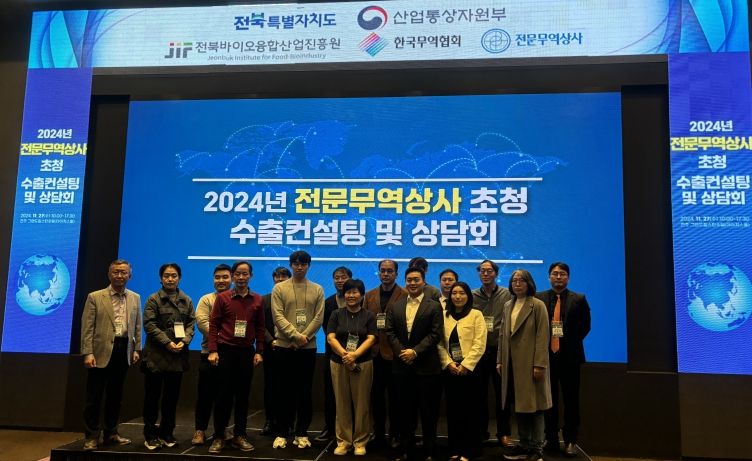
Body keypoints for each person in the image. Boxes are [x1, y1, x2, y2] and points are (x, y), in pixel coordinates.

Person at [81, 259, 142, 451]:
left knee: (115, 396)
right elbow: (87, 327)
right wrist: (88, 352)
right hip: (100, 351)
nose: (120, 276)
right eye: (116, 272)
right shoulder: (95, 296)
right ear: (109, 275)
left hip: (123, 349)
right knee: (94, 397)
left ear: (129, 275)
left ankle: (111, 433)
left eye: (123, 272)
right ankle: (91, 436)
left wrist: (137, 349)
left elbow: (137, 325)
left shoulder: (135, 297)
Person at [207, 261, 265, 454]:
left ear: (251, 276)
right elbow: (214, 325)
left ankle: (240, 435)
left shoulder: (257, 299)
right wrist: (213, 350)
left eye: (245, 274)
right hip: (225, 351)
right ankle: (218, 436)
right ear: (233, 276)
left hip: (246, 352)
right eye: (238, 274)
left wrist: (259, 351)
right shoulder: (222, 298)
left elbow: (260, 327)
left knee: (242, 397)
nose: (241, 277)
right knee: (222, 396)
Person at [386, 266, 444, 461]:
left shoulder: (434, 305)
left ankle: (429, 451)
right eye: (409, 280)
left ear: (423, 282)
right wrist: (403, 352)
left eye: (416, 279)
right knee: (404, 412)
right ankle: (406, 449)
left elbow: (435, 334)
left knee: (428, 412)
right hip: (402, 367)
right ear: (405, 282)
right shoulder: (396, 306)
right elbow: (390, 332)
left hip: (426, 368)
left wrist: (415, 352)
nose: (412, 283)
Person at [271, 250, 325, 449]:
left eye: (303, 264)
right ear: (291, 265)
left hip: (307, 348)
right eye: (296, 263)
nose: (299, 267)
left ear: (308, 266)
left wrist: (304, 338)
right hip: (284, 347)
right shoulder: (279, 288)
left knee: (304, 391)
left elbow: (318, 317)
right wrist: (295, 336)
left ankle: (302, 432)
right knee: (283, 391)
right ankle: (282, 432)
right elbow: (277, 316)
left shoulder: (317, 289)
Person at [536, 262, 591, 457]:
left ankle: (570, 440)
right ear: (549, 277)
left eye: (562, 274)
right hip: (546, 358)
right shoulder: (539, 298)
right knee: (548, 401)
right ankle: (550, 438)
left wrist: (569, 342)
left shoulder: (579, 299)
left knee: (571, 401)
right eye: (555, 274)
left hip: (570, 358)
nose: (558, 277)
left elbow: (585, 326)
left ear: (568, 277)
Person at [497, 270, 551, 461]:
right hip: (511, 364)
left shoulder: (537, 305)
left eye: (521, 280)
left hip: (530, 364)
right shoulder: (507, 305)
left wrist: (539, 364)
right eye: (514, 281)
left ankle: (537, 448)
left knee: (535, 407)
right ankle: (524, 444)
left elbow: (543, 336)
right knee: (520, 406)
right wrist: (500, 359)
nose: (517, 284)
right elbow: (502, 335)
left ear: (529, 283)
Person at [141, 263, 195, 450]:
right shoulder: (153, 299)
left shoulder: (186, 300)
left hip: (177, 357)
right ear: (161, 278)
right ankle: (150, 435)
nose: (170, 279)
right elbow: (149, 324)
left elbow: (191, 323)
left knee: (171, 399)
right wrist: (167, 342)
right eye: (166, 276)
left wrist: (185, 340)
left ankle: (167, 433)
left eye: (174, 275)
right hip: (156, 357)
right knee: (152, 398)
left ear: (179, 278)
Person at [327, 279, 377, 456]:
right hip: (338, 362)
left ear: (362, 295)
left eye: (355, 292)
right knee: (341, 403)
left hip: (362, 363)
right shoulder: (336, 314)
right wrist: (345, 355)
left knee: (362, 403)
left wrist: (354, 355)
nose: (351, 295)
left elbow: (371, 338)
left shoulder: (369, 315)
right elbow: (331, 337)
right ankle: (343, 441)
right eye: (348, 292)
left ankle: (360, 442)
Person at [438, 282, 487, 461]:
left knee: (471, 411)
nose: (457, 296)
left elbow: (480, 343)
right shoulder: (444, 316)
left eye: (462, 293)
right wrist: (448, 363)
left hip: (471, 371)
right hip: (450, 371)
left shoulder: (476, 315)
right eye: (454, 293)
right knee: (453, 411)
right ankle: (455, 448)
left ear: (468, 296)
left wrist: (466, 365)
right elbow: (439, 343)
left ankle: (469, 450)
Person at [364, 259, 406, 448]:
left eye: (390, 271)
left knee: (397, 397)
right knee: (376, 397)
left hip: (396, 355)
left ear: (396, 273)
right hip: (374, 354)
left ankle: (396, 434)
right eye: (383, 270)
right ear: (379, 273)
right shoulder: (369, 295)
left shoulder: (405, 295)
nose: (386, 274)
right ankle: (378, 433)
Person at [472, 260, 514, 447]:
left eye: (489, 271)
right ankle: (481, 431)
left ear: (496, 273)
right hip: (479, 352)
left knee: (502, 395)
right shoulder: (472, 295)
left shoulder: (507, 294)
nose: (485, 274)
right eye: (482, 271)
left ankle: (504, 433)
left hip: (500, 352)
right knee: (479, 395)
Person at [192, 263, 232, 446]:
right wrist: (227, 337)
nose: (221, 280)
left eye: (225, 277)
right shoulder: (206, 300)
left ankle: (222, 428)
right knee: (205, 395)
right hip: (208, 353)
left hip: (230, 355)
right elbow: (203, 324)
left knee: (225, 395)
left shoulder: (236, 299)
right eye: (217, 277)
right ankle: (200, 430)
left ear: (231, 279)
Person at [317, 266, 352, 443]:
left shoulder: (360, 301)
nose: (340, 280)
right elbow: (326, 328)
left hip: (356, 354)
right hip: (332, 354)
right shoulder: (328, 302)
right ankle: (329, 427)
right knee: (330, 392)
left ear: (350, 279)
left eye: (343, 277)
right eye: (336, 277)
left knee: (354, 394)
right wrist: (340, 347)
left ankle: (353, 428)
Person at [261, 267, 291, 437]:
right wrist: (271, 340)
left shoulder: (293, 299)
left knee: (289, 387)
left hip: (290, 348)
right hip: (270, 348)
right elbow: (260, 324)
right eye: (277, 276)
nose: (280, 279)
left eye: (283, 276)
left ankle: (288, 423)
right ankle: (269, 421)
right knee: (270, 386)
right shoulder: (264, 299)